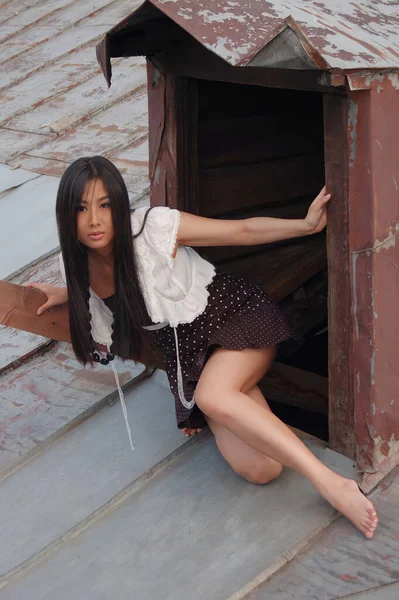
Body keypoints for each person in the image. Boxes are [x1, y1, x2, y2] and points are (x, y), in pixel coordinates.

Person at [29, 155, 378, 539]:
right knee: (262, 470)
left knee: (213, 396)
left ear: (118, 204)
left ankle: (331, 483)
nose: (94, 220)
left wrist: (306, 225)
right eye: (81, 208)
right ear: (67, 214)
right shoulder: (75, 267)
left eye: (104, 205)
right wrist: (66, 294)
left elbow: (241, 231)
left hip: (234, 319)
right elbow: (115, 294)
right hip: (193, 359)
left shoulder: (152, 228)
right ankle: (225, 398)